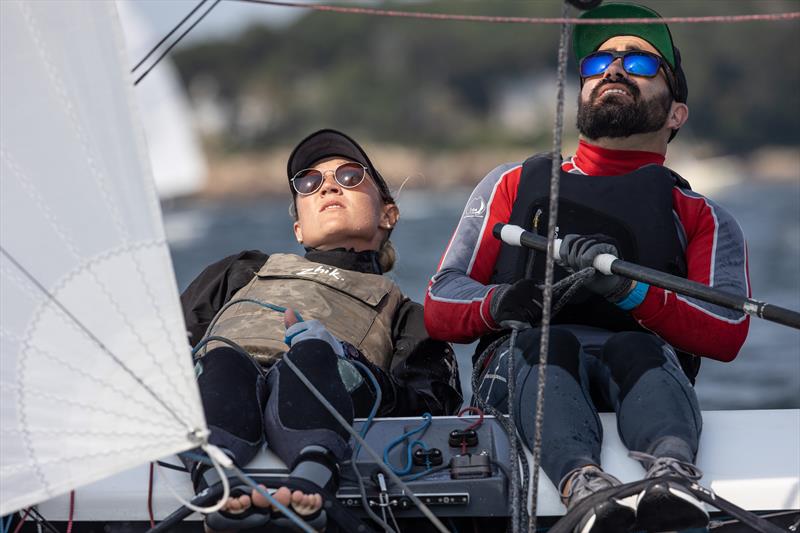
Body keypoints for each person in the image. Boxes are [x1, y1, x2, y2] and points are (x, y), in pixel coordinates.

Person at [423, 4, 750, 533]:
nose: (614, 70)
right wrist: (498, 302)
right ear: (580, 90)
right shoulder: (510, 184)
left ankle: (671, 478)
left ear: (676, 114)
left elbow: (729, 327)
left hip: (640, 367)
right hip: (526, 363)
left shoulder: (703, 215)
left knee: (636, 346)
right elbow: (439, 301)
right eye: (598, 63)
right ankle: (583, 486)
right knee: (545, 345)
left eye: (641, 65)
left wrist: (630, 292)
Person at [181, 128, 462, 532]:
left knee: (312, 357)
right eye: (310, 183)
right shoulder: (241, 270)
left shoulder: (407, 316)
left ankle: (312, 480)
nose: (328, 186)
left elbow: (430, 407)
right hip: (222, 388)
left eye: (349, 176)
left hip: (326, 388)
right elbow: (162, 345)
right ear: (299, 229)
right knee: (224, 358)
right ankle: (216, 485)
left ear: (388, 214)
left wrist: (342, 358)